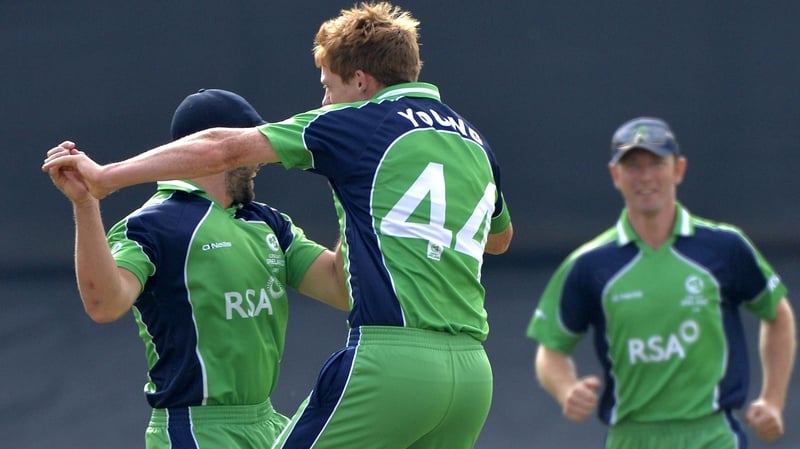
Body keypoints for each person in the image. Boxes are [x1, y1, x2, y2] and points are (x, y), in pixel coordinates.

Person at [42, 3, 513, 447]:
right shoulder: (473, 141)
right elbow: (499, 238)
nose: (324, 101)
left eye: (328, 85)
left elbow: (222, 149)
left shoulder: (343, 138)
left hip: (390, 362)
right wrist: (362, 205)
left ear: (363, 81)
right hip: (472, 372)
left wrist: (105, 178)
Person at [46, 88, 349, 449]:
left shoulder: (267, 222)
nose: (260, 161)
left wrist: (351, 194)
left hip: (268, 425)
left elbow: (341, 288)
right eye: (247, 146)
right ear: (216, 148)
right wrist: (85, 204)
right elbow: (104, 304)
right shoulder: (153, 225)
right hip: (193, 430)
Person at [526, 116, 796, 448]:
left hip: (712, 435)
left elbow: (777, 313)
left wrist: (772, 400)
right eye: (633, 166)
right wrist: (566, 388)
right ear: (616, 175)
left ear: (678, 169)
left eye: (656, 163)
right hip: (631, 437)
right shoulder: (590, 264)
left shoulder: (724, 246)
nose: (645, 177)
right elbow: (550, 350)